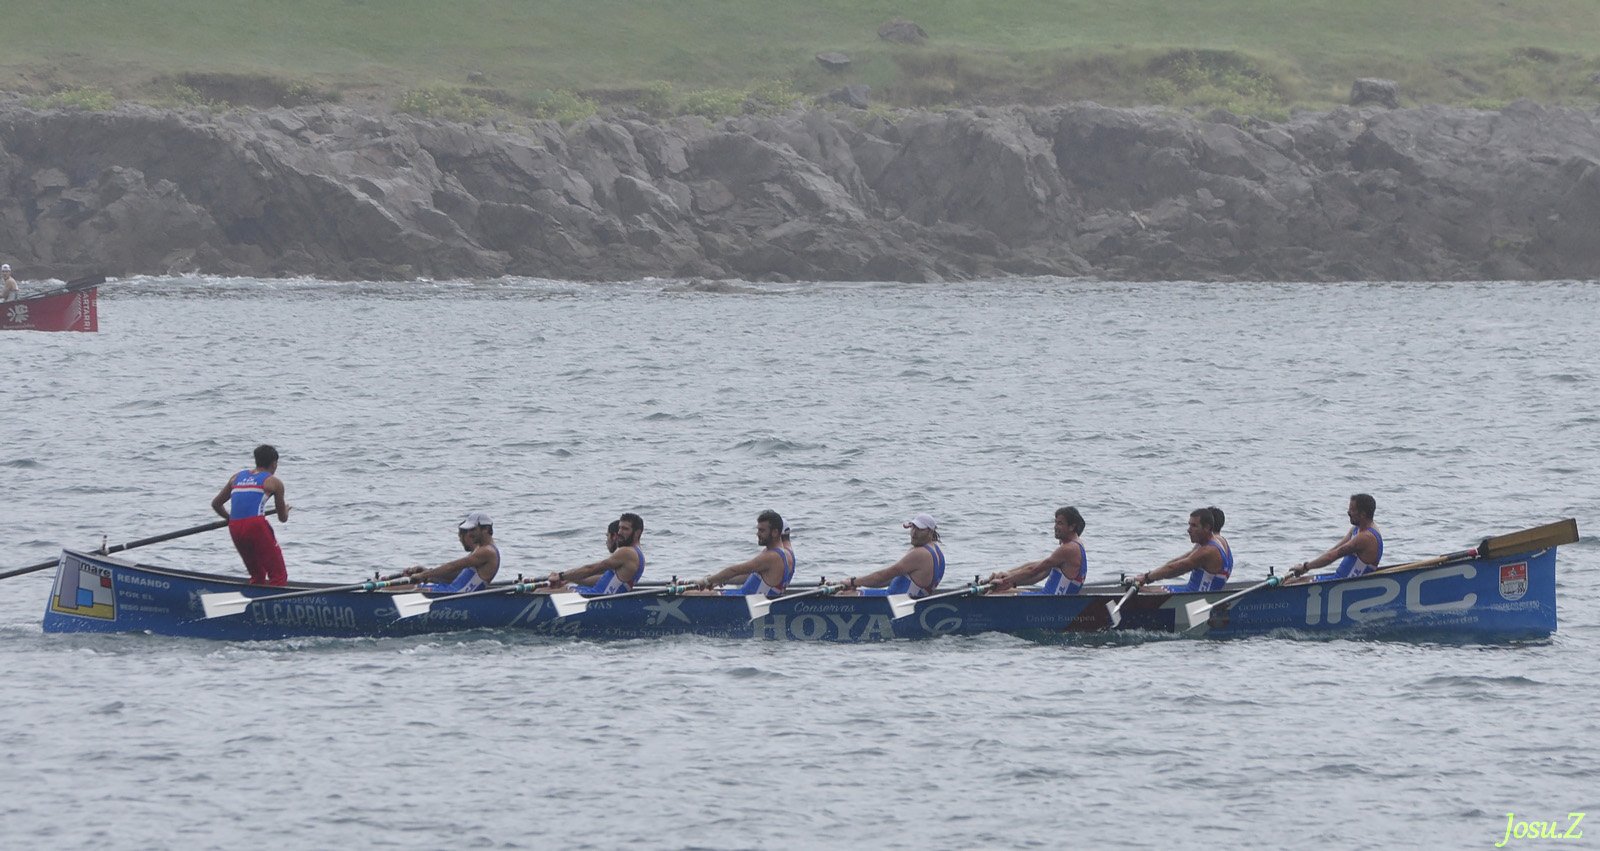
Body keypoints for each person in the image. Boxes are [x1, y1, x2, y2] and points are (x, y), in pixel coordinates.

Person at [210, 444, 291, 586]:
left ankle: (254, 596)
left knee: (257, 573)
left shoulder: (235, 478)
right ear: (274, 463)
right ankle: (273, 605)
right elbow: (282, 518)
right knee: (278, 575)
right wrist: (285, 510)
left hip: (234, 526)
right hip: (256, 525)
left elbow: (216, 504)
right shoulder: (274, 482)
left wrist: (230, 519)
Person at [836, 513, 946, 598]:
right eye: (913, 528)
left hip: (895, 602)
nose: (913, 533)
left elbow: (883, 575)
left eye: (919, 529)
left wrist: (853, 581)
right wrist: (858, 584)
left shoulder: (920, 554)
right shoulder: (937, 552)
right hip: (900, 600)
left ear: (930, 532)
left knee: (841, 595)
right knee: (850, 592)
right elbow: (890, 579)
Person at [690, 510, 795, 597]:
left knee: (688, 593)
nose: (757, 534)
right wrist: (719, 580)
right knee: (698, 592)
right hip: (746, 597)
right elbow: (748, 576)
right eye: (758, 530)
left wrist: (705, 581)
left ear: (775, 532)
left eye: (762, 530)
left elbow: (734, 570)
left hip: (745, 602)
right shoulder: (783, 553)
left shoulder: (772, 557)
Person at [986, 506, 1087, 594]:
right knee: (999, 590)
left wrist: (1005, 581)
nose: (1055, 527)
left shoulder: (1069, 549)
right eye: (1055, 522)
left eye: (1060, 523)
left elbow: (1033, 570)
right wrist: (1008, 577)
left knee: (992, 593)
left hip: (1050, 603)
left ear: (1072, 527)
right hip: (1047, 598)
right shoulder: (1075, 546)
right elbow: (1037, 570)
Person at [1285, 494, 1383, 584]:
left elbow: (1332, 556)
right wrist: (1305, 567)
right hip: (1338, 579)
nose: (1348, 512)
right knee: (1291, 581)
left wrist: (1305, 567)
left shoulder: (1365, 537)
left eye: (1352, 510)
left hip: (1345, 584)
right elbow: (1334, 549)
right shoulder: (1356, 529)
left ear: (1363, 514)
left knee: (1290, 584)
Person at [1132, 506, 1232, 593]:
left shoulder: (1208, 551)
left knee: (1142, 590)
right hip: (1194, 592)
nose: (1188, 530)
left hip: (1196, 598)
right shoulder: (1219, 540)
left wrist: (1147, 578)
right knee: (1148, 588)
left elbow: (1175, 569)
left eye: (1194, 526)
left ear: (1207, 527)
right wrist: (1148, 575)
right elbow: (1177, 562)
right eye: (1189, 525)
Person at [546, 512, 645, 594]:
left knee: (542, 591)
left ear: (637, 532)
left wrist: (560, 576)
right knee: (565, 586)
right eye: (619, 528)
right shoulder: (637, 553)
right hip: (597, 595)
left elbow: (591, 569)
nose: (619, 532)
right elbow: (601, 577)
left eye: (625, 529)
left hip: (597, 598)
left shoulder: (627, 552)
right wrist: (569, 578)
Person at [404, 512, 502, 593]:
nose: (469, 533)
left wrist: (423, 575)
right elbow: (457, 574)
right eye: (468, 530)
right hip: (450, 590)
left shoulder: (487, 551)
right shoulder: (481, 549)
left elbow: (452, 566)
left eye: (473, 529)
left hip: (455, 594)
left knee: (409, 588)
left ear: (486, 530)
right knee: (410, 585)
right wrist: (426, 571)